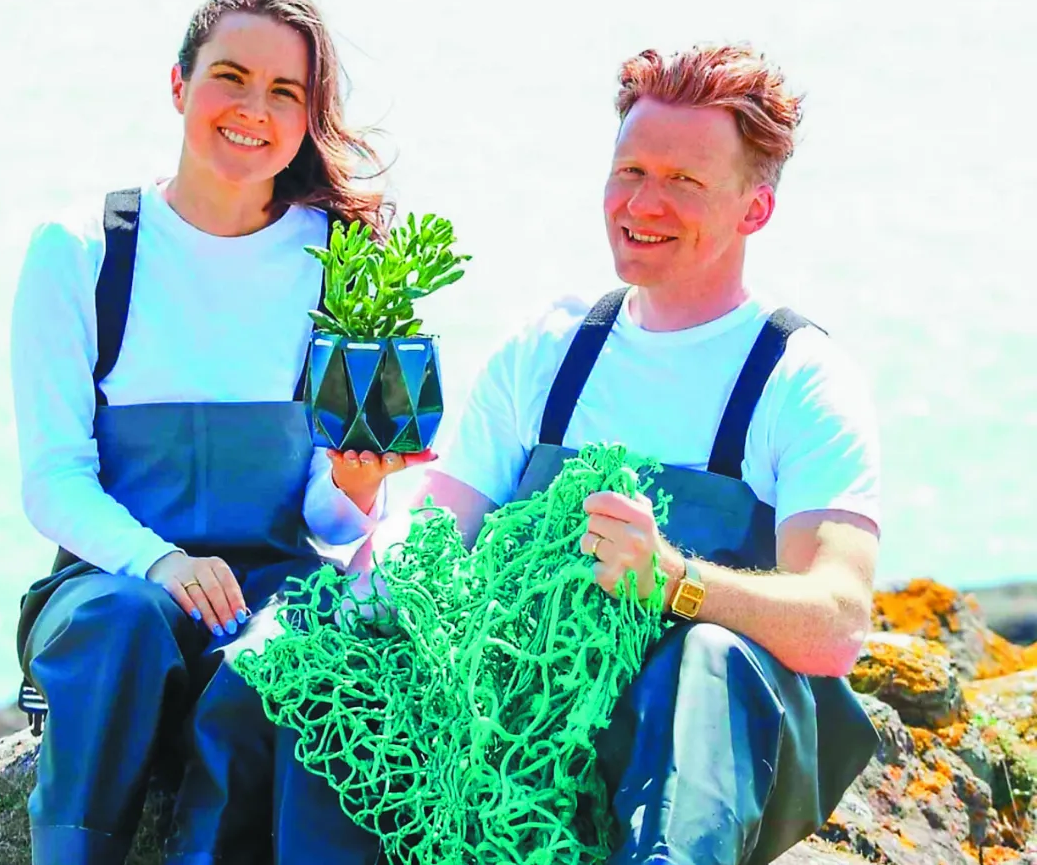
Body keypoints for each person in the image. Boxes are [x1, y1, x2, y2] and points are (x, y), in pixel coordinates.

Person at [325, 42, 882, 865]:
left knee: (708, 655)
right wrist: (373, 535)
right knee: (318, 678)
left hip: (724, 760)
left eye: (684, 181)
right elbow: (442, 524)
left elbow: (837, 624)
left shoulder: (798, 378)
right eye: (629, 170)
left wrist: (676, 582)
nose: (642, 203)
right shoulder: (549, 351)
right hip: (531, 729)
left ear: (754, 210)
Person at [10, 0, 428, 865]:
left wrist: (355, 487)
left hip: (275, 589)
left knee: (277, 661)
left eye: (286, 92)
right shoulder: (83, 250)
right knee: (119, 623)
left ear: (310, 118)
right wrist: (161, 561)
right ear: (178, 86)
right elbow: (52, 477)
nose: (253, 109)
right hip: (111, 585)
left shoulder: (341, 256)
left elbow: (331, 514)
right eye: (230, 77)